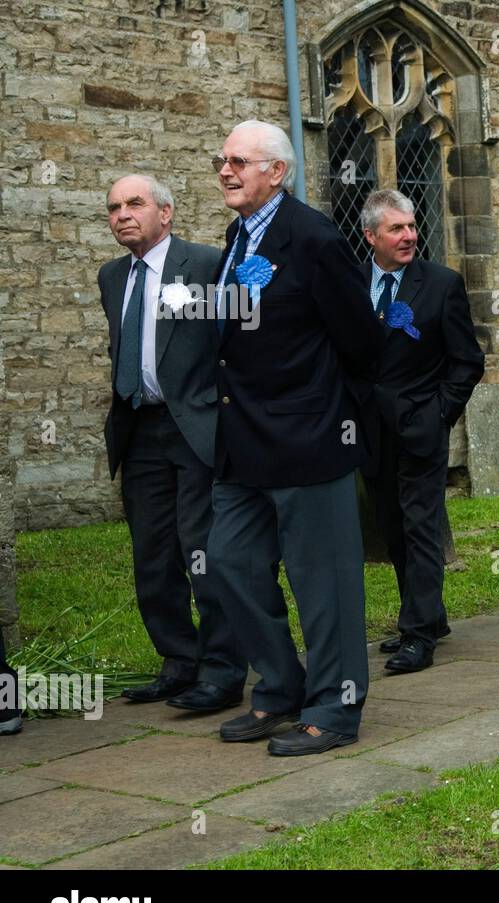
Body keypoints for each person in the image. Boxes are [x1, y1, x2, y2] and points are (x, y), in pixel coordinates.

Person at [206, 120, 382, 756]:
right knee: (229, 561)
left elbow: (361, 341)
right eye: (222, 160)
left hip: (309, 441)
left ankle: (334, 709)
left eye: (240, 162)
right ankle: (280, 689)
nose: (226, 171)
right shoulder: (235, 236)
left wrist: (326, 413)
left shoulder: (312, 237)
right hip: (243, 443)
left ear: (276, 172)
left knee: (323, 582)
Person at [98, 174, 246, 711]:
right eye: (113, 207)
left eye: (134, 203)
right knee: (153, 557)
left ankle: (223, 670)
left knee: (203, 551)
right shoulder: (112, 277)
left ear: (167, 212)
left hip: (196, 430)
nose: (122, 214)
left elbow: (234, 347)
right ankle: (179, 662)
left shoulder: (205, 266)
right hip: (139, 432)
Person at [362, 189, 484, 673]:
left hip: (421, 428)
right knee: (393, 529)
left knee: (421, 529)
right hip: (370, 434)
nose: (410, 235)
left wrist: (438, 415)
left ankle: (417, 636)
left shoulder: (441, 284)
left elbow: (467, 362)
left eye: (412, 226)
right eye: (396, 229)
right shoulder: (350, 285)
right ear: (371, 235)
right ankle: (429, 617)